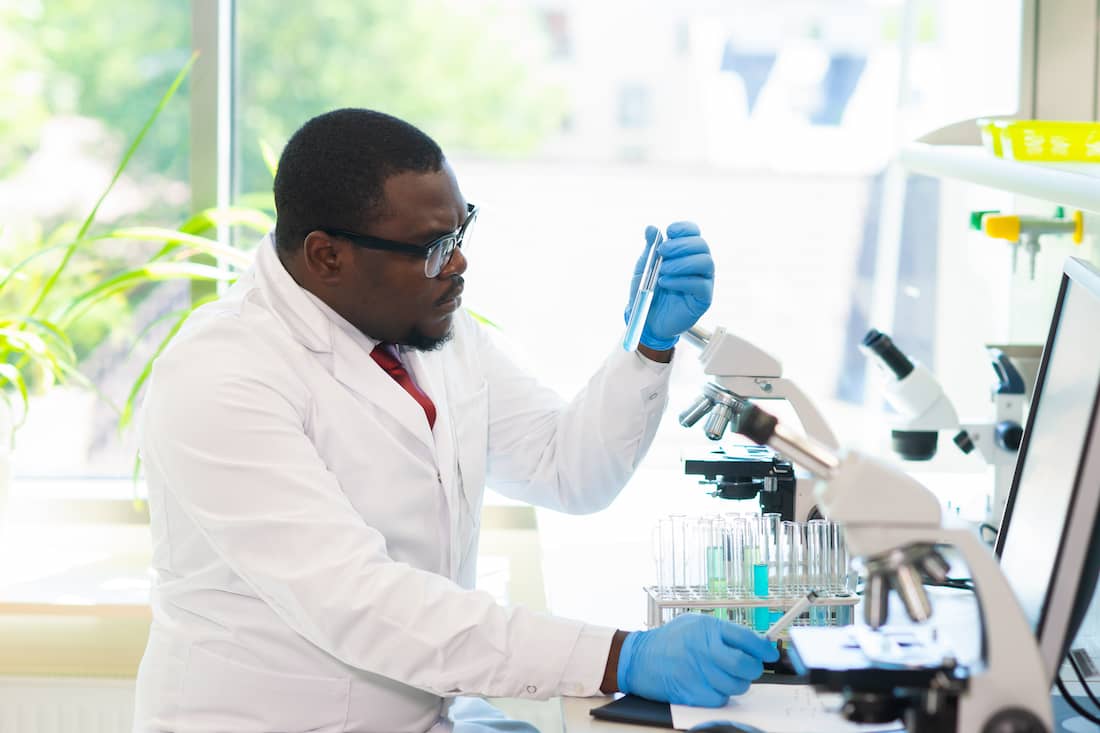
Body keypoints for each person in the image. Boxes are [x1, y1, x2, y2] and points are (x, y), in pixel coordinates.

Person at [132, 108, 777, 733]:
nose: (460, 264)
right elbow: (359, 602)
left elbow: (566, 471)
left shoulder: (427, 328)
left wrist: (647, 348)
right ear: (327, 256)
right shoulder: (221, 374)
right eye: (433, 247)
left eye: (461, 232)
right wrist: (618, 658)